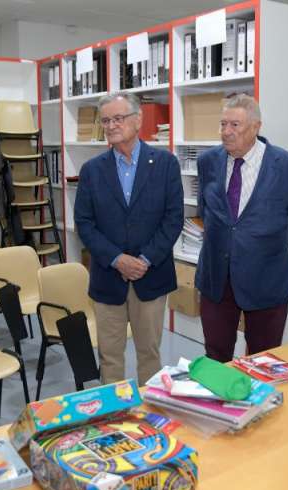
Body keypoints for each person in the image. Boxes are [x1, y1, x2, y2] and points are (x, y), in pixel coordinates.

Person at [74, 91, 183, 385]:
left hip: (152, 276)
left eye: (118, 118)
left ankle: (149, 419)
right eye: (106, 120)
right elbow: (84, 223)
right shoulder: (92, 171)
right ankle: (115, 417)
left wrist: (144, 259)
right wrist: (117, 259)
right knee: (110, 355)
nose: (110, 125)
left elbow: (173, 219)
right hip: (108, 278)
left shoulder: (165, 164)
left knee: (149, 353)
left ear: (138, 120)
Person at [196, 94, 288, 362]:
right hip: (216, 279)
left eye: (235, 125)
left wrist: (261, 243)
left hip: (267, 279)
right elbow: (205, 210)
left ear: (256, 127)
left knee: (264, 360)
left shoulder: (286, 167)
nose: (226, 132)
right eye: (223, 124)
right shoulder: (208, 162)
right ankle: (220, 404)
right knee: (216, 355)